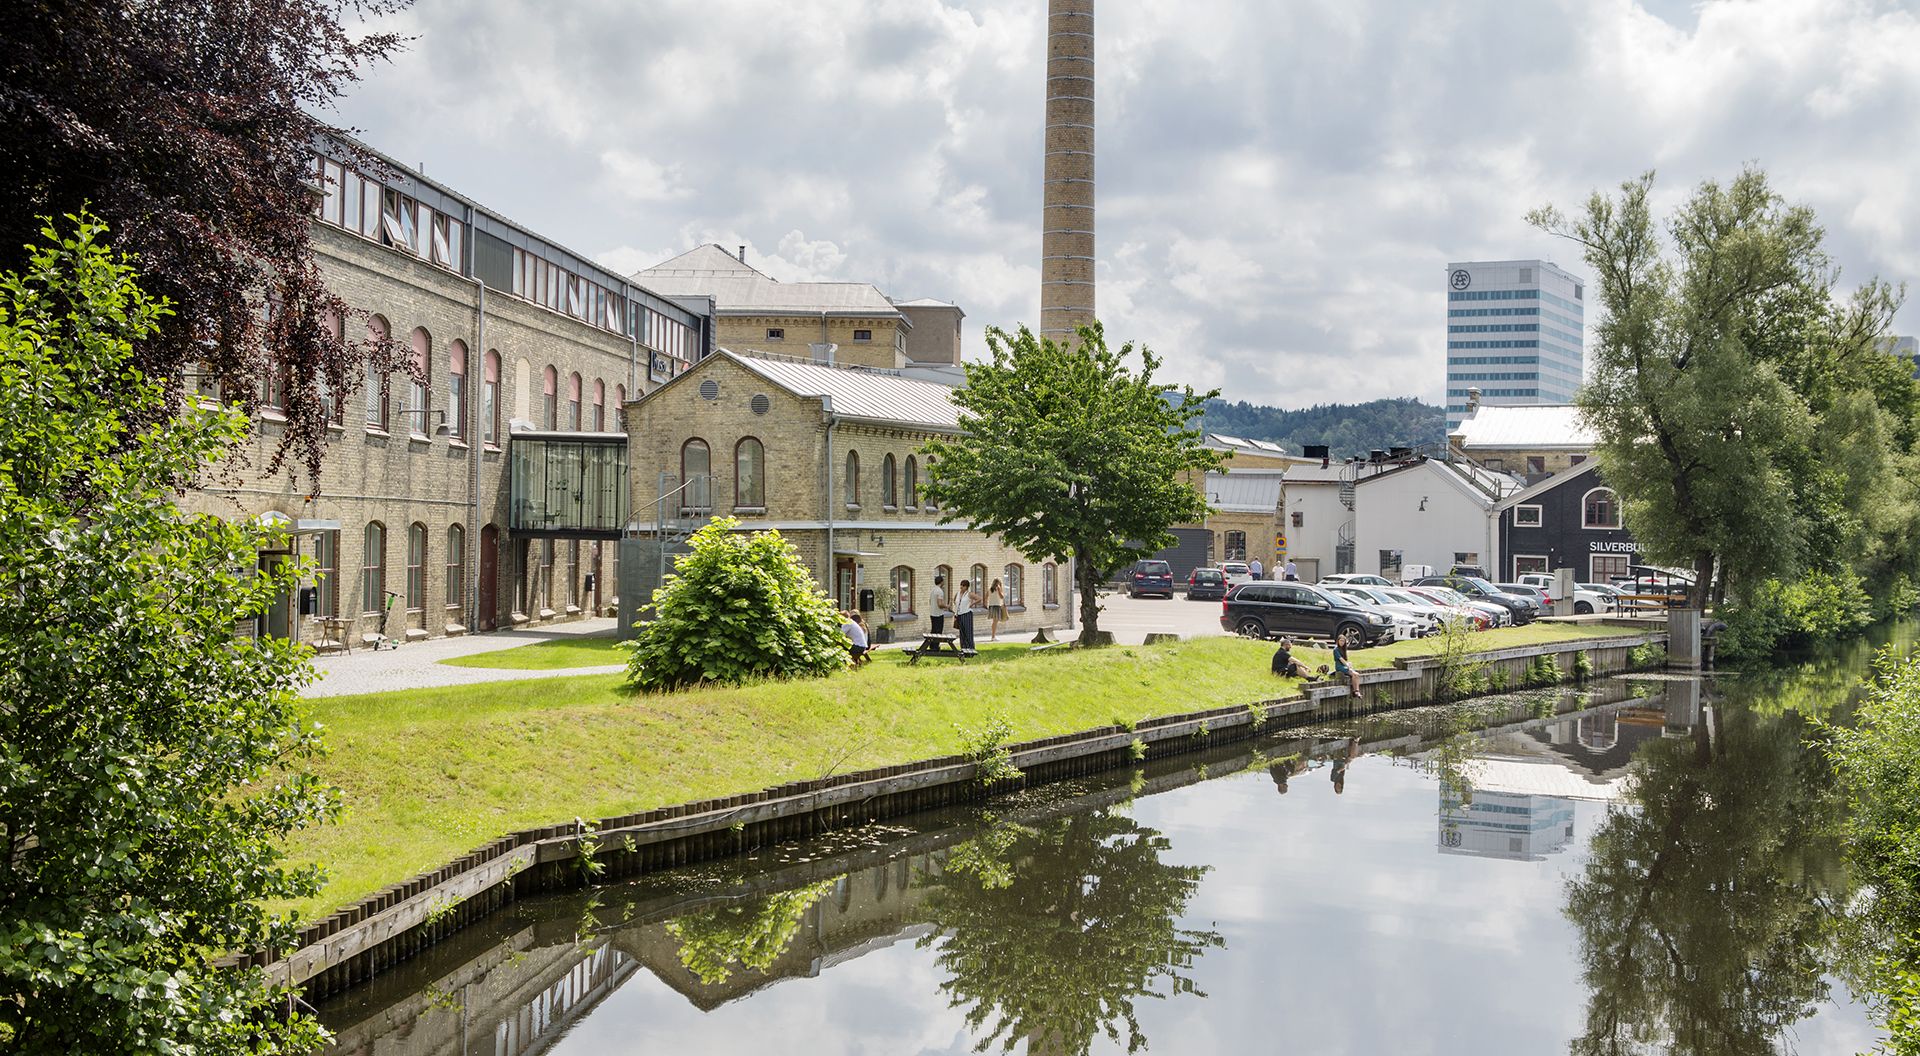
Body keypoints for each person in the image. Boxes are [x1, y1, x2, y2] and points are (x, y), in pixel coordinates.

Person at [1332, 630, 1362, 700]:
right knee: (1355, 674)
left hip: (1344, 666)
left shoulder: (1343, 649)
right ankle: (1356, 691)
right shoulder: (1335, 650)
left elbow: (1345, 660)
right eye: (1341, 641)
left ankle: (1356, 691)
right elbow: (1341, 660)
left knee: (1356, 674)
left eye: (1343, 641)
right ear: (1338, 641)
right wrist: (1348, 666)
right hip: (1339, 666)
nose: (1342, 642)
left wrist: (1349, 664)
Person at [954, 578, 978, 655]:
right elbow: (955, 602)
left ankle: (971, 649)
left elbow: (979, 599)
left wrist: (972, 604)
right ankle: (963, 648)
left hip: (967, 614)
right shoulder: (957, 594)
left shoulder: (969, 594)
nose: (961, 587)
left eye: (963, 585)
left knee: (968, 632)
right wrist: (956, 613)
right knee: (962, 633)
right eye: (961, 585)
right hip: (960, 614)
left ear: (967, 587)